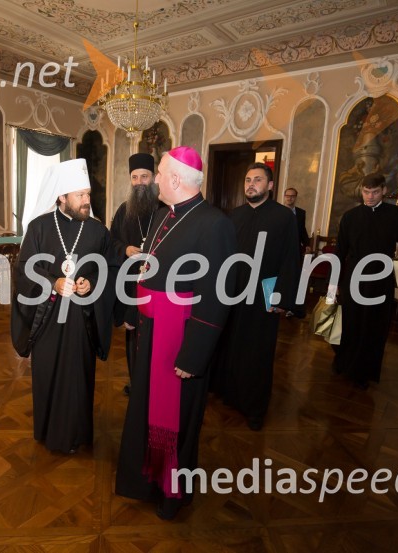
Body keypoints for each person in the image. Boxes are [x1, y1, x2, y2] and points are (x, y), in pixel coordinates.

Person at [115, 146, 236, 520]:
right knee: (147, 410)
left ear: (177, 180)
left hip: (182, 340)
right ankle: (147, 480)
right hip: (152, 333)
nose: (155, 182)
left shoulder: (215, 224)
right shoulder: (160, 216)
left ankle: (172, 495)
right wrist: (136, 310)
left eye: (161, 174)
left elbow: (218, 295)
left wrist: (193, 355)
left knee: (179, 419)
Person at [10, 158, 117, 454]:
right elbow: (24, 270)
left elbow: (110, 268)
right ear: (62, 197)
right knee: (49, 373)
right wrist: (53, 283)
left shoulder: (98, 231)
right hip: (48, 319)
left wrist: (91, 283)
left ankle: (78, 434)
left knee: (79, 376)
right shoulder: (40, 228)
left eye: (88, 194)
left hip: (82, 320)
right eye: (80, 195)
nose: (87, 201)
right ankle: (48, 430)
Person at [211, 163, 301, 430]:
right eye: (248, 179)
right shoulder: (232, 216)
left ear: (270, 186)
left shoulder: (284, 217)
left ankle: (254, 408)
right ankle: (228, 393)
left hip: (264, 293)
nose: (251, 184)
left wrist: (281, 298)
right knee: (228, 344)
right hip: (232, 292)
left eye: (258, 180)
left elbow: (290, 259)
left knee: (257, 351)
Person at [334, 172, 398, 390]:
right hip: (354, 279)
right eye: (366, 192)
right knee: (350, 323)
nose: (369, 196)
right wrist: (334, 284)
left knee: (374, 327)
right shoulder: (349, 217)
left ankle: (364, 372)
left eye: (375, 192)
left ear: (384, 191)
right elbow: (340, 252)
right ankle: (344, 364)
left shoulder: (396, 215)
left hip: (381, 279)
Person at [110, 153, 160, 395]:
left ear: (153, 178)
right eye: (135, 177)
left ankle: (154, 383)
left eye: (144, 176)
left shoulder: (164, 209)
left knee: (156, 337)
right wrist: (125, 249)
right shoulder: (123, 210)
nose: (139, 181)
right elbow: (111, 242)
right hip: (131, 285)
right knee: (133, 336)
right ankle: (136, 382)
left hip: (160, 285)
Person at [283, 187, 311, 254]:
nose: (289, 198)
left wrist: (307, 244)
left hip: (295, 247)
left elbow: (302, 230)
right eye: (287, 196)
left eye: (292, 196)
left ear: (296, 198)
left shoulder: (301, 213)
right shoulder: (277, 211)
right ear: (284, 197)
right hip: (281, 246)